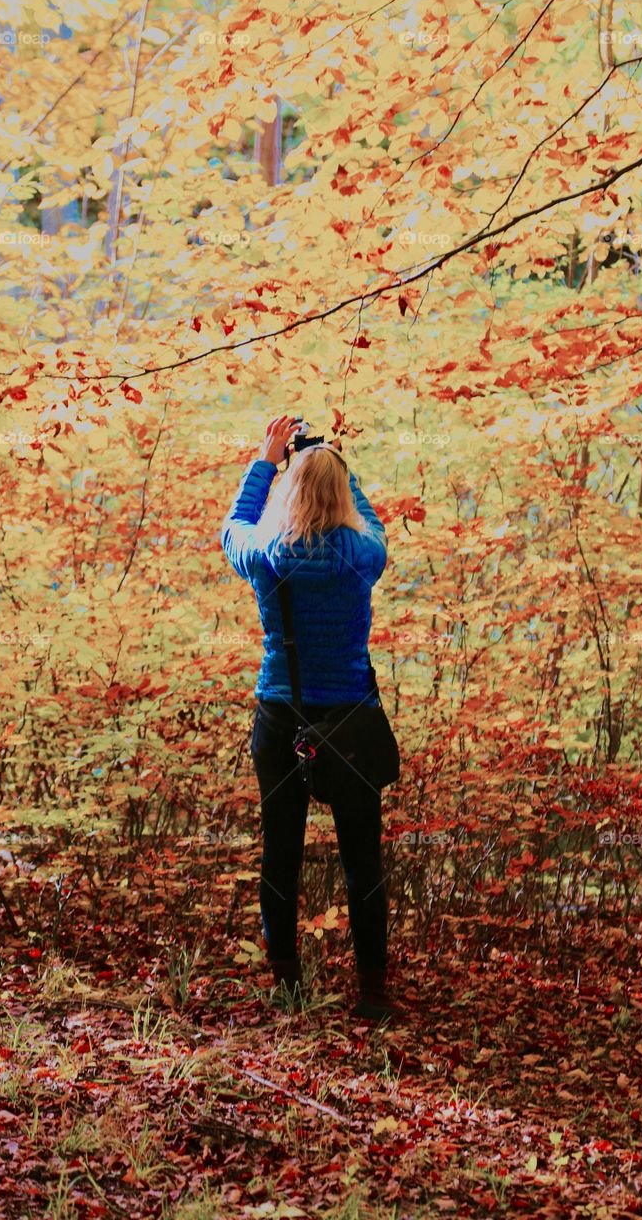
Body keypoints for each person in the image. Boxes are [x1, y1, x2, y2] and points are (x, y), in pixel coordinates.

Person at [220, 415, 398, 1021]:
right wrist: (334, 459)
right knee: (362, 861)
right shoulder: (363, 557)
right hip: (350, 719)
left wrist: (268, 460)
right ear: (342, 491)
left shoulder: (269, 555)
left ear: (291, 490)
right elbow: (371, 522)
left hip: (281, 719)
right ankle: (372, 991)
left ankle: (285, 980)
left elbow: (232, 529)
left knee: (282, 851)